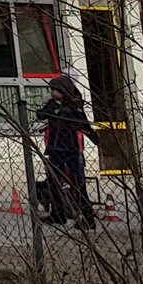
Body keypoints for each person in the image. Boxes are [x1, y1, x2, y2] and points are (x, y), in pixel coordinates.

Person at [37, 70, 97, 229]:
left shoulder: (74, 106)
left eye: (54, 90)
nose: (52, 92)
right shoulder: (51, 105)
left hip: (71, 149)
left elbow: (83, 124)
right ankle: (58, 214)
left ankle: (87, 218)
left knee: (78, 184)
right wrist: (52, 111)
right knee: (53, 182)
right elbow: (41, 115)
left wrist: (94, 137)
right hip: (55, 149)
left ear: (63, 91)